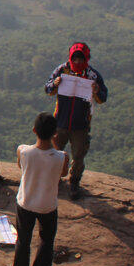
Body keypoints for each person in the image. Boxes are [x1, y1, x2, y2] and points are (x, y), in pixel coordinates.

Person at [44, 42, 108, 199]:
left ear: (87, 59)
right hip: (60, 122)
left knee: (78, 156)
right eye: (75, 59)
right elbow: (47, 88)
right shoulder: (61, 70)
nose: (78, 62)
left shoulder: (93, 75)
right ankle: (55, 179)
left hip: (81, 125)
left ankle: (74, 182)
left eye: (81, 59)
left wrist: (97, 91)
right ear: (70, 58)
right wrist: (55, 84)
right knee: (55, 153)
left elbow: (103, 98)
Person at [12, 112, 69, 266]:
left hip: (26, 202)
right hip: (48, 205)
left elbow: (20, 166)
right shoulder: (62, 157)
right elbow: (64, 173)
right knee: (46, 240)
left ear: (34, 130)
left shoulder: (23, 151)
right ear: (55, 134)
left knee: (23, 238)